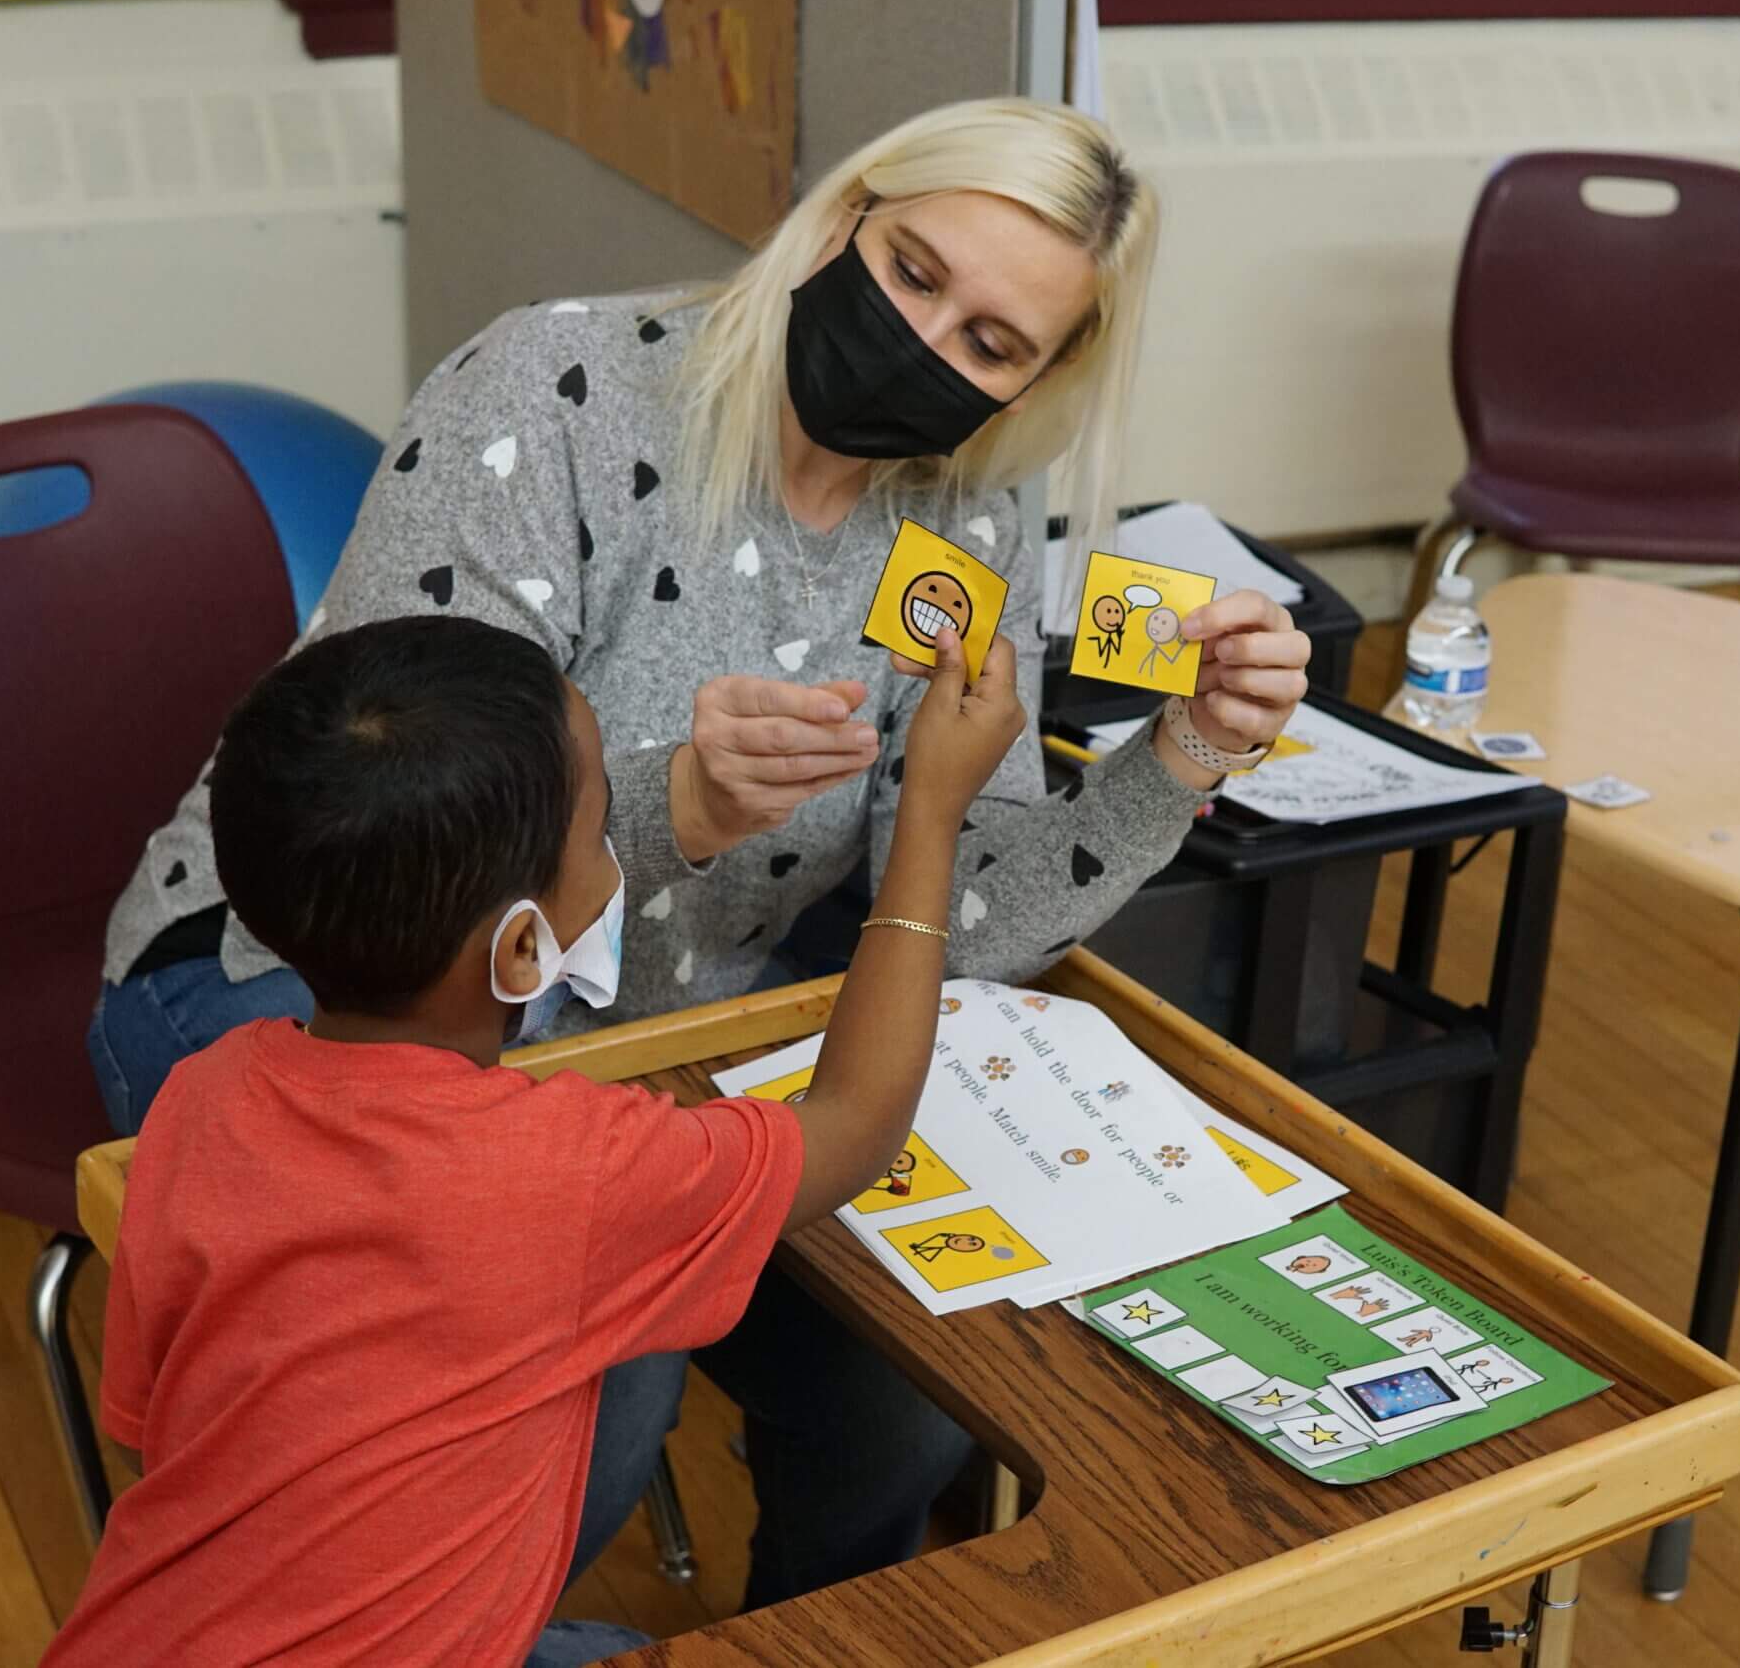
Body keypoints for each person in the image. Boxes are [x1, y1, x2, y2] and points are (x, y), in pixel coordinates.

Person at [87, 97, 1314, 1612]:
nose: (926, 341)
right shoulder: (558, 391)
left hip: (654, 1038)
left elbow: (958, 911)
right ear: (845, 212)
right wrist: (677, 802)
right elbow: (390, 830)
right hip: (292, 971)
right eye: (915, 269)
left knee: (906, 1387)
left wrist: (1185, 752)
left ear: (1038, 383)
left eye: (993, 344)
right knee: (597, 1384)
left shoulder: (962, 528)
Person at [47, 614, 1024, 1668]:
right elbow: (855, 1123)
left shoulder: (200, 1098)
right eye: (603, 827)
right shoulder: (572, 1169)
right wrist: (928, 808)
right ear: (522, 947)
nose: (617, 848)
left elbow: (148, 1431)